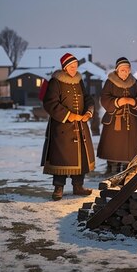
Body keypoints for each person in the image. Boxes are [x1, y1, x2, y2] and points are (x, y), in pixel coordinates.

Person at [41, 53, 96, 201]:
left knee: (81, 158)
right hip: (62, 128)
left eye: (76, 66)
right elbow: (50, 103)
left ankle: (78, 186)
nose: (74, 69)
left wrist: (88, 112)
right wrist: (71, 116)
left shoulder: (79, 81)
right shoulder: (55, 82)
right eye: (71, 67)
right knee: (61, 158)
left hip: (80, 127)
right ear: (64, 67)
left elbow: (87, 98)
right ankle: (58, 188)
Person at [97, 57, 137, 174]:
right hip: (115, 120)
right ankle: (112, 170)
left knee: (130, 148)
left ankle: (127, 170)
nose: (125, 72)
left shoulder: (134, 82)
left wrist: (133, 101)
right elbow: (104, 99)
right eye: (122, 70)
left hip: (131, 121)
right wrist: (118, 102)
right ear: (117, 70)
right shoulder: (110, 82)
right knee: (114, 146)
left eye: (127, 70)